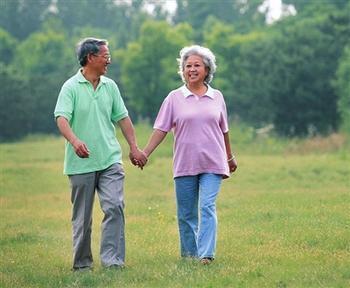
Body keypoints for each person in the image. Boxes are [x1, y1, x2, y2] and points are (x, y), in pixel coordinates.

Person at [54, 37, 147, 271]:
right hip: (80, 163)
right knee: (82, 219)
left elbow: (123, 119)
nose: (109, 60)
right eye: (105, 56)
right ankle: (83, 265)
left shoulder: (110, 86)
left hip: (110, 160)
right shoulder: (70, 87)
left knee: (115, 206)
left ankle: (113, 262)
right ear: (90, 58)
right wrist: (75, 141)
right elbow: (61, 119)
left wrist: (134, 147)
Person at [141, 45, 237, 265]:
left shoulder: (217, 96)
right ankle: (189, 256)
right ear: (183, 70)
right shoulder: (174, 98)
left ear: (206, 69)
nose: (192, 69)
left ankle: (206, 255)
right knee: (186, 214)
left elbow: (224, 130)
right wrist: (145, 152)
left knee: (206, 206)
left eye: (197, 65)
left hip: (213, 162)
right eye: (188, 66)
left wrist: (230, 158)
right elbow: (161, 129)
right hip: (185, 163)